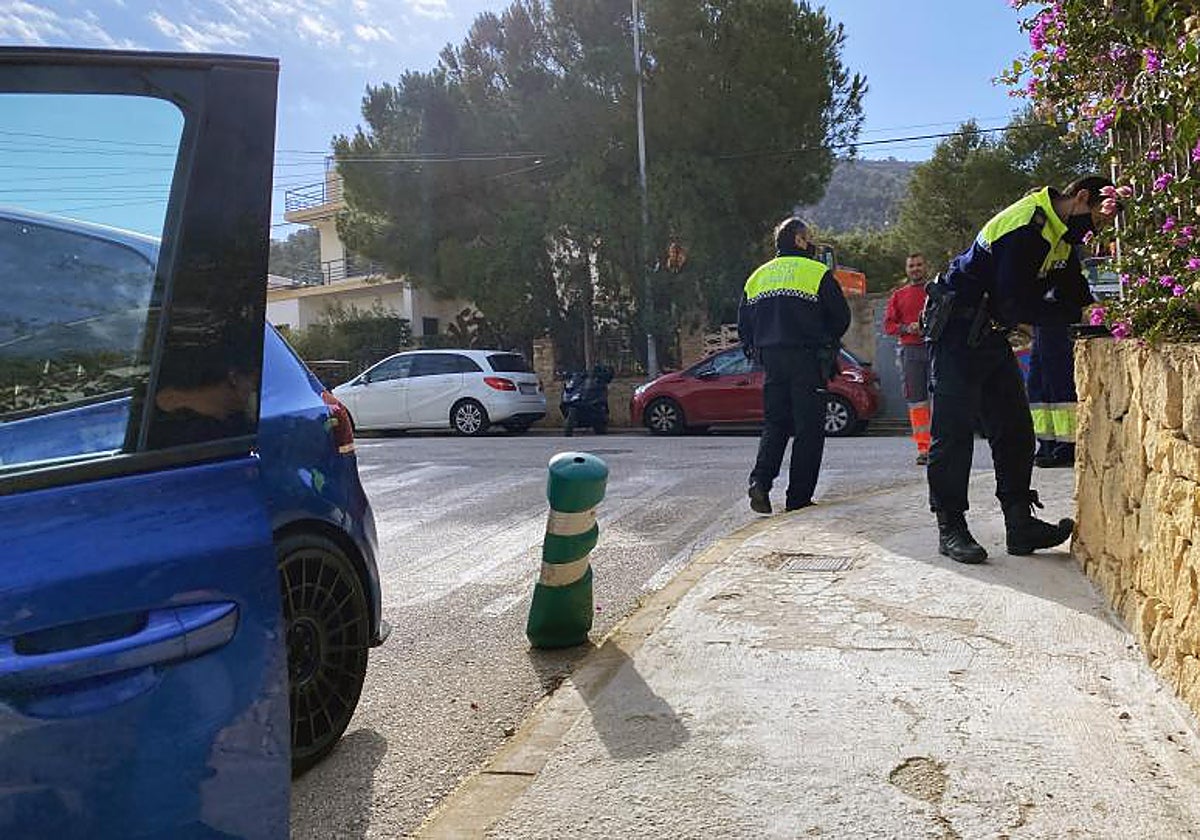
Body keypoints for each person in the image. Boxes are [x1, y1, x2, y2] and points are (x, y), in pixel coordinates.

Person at [924, 175, 1117, 563]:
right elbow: (1015, 303)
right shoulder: (1026, 225)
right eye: (1097, 219)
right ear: (1081, 198)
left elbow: (1071, 287)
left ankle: (1019, 525)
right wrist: (1071, 314)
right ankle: (951, 527)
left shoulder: (1060, 234)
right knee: (953, 435)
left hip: (991, 332)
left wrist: (1098, 315)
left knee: (1015, 431)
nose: (1094, 230)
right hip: (958, 330)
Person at [738, 216, 851, 514]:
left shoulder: (757, 276)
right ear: (799, 240)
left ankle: (760, 482)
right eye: (808, 236)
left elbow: (744, 326)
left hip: (771, 361)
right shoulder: (816, 272)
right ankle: (798, 498)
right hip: (807, 359)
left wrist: (759, 349)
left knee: (775, 423)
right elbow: (841, 317)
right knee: (808, 429)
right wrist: (825, 340)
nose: (811, 241)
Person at [1027, 253, 1091, 468]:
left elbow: (1074, 283)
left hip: (1057, 320)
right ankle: (1046, 445)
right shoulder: (1038, 247)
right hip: (1042, 320)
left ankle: (1066, 447)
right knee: (1038, 387)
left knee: (1058, 386)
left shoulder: (1061, 249)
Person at [883, 252, 932, 465]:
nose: (915, 269)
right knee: (917, 401)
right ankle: (924, 449)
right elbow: (889, 325)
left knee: (942, 397)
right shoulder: (899, 295)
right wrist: (907, 328)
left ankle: (942, 445)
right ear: (907, 269)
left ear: (925, 267)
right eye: (911, 265)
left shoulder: (935, 291)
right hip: (910, 351)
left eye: (919, 265)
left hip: (935, 348)